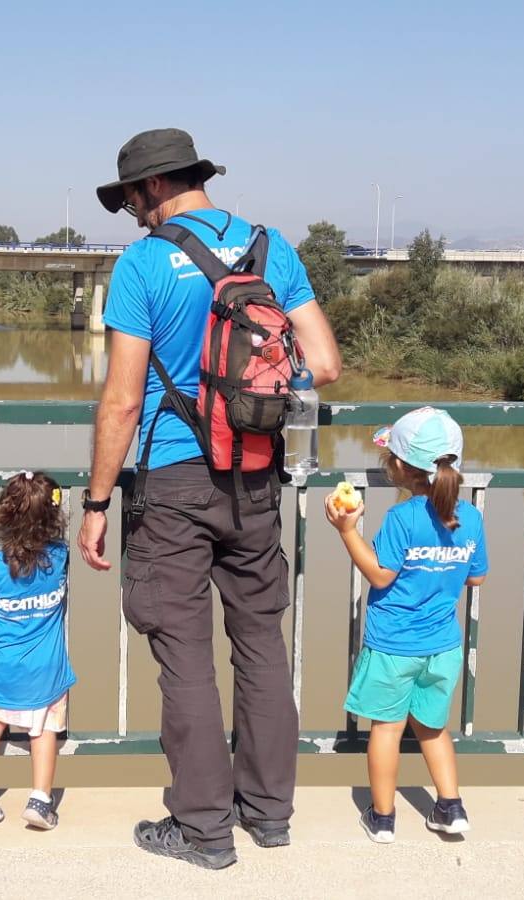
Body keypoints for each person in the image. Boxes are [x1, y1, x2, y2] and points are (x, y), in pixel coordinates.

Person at [78, 128, 341, 869]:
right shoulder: (270, 246)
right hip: (256, 475)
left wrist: (97, 504)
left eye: (130, 196)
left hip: (174, 483)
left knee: (185, 656)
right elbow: (325, 363)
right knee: (261, 645)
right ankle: (268, 814)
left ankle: (203, 831)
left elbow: (122, 403)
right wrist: (252, 400)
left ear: (155, 186)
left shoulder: (142, 264)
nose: (130, 210)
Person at [323, 407, 488, 844]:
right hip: (444, 646)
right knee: (433, 728)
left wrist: (347, 530)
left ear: (397, 466)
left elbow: (380, 574)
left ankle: (382, 818)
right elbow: (476, 575)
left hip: (395, 645)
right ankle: (450, 808)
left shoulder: (402, 518)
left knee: (387, 729)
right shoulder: (470, 516)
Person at [0, 471, 75, 832]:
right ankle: (40, 800)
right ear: (54, 519)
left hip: (0, 666)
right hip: (46, 669)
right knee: (44, 731)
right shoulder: (60, 557)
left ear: (3, 517)